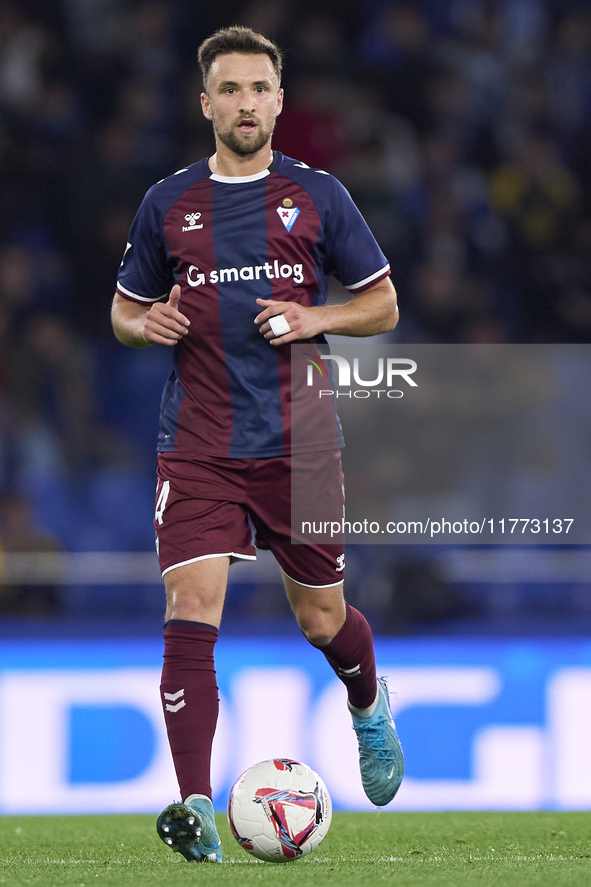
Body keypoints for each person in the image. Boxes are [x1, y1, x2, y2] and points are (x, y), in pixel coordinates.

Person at [111, 25, 404, 864]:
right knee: (188, 608)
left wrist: (319, 316)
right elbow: (124, 310)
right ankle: (194, 804)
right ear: (206, 104)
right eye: (229, 90)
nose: (245, 104)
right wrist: (144, 323)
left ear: (279, 99)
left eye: (259, 89)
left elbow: (382, 306)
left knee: (320, 618)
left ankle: (367, 701)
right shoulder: (166, 202)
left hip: (300, 442)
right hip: (197, 442)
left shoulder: (318, 197)